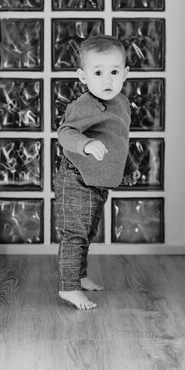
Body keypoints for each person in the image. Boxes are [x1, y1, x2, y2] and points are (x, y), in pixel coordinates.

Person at [55, 34, 141, 310]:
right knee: (75, 233)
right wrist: (87, 143)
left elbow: (119, 141)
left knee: (88, 232)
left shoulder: (122, 104)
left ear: (125, 74)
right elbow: (65, 133)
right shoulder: (86, 105)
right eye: (99, 72)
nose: (107, 80)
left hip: (97, 181)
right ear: (83, 76)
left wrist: (130, 167)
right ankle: (68, 288)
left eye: (114, 72)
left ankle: (78, 276)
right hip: (76, 176)